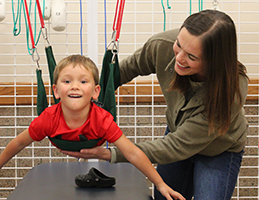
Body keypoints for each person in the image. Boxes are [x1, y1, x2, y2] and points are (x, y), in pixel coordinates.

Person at [61, 10, 249, 200]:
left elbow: (175, 146)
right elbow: (120, 73)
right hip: (178, 133)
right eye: (179, 44)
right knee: (164, 197)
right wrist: (82, 98)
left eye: (191, 57)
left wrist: (111, 153)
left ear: (214, 61)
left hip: (217, 150)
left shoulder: (231, 93)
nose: (179, 58)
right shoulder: (163, 46)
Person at [0, 55, 185, 200]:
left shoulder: (102, 120)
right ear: (56, 91)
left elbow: (132, 153)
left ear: (95, 92)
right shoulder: (48, 119)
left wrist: (159, 183)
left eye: (83, 81)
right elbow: (19, 142)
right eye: (67, 81)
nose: (75, 86)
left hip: (96, 136)